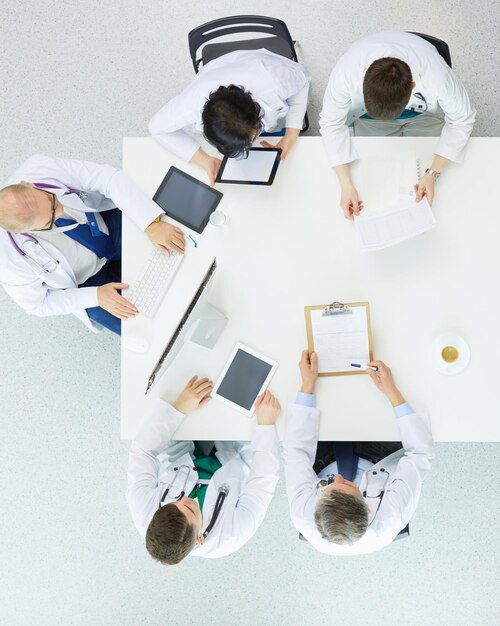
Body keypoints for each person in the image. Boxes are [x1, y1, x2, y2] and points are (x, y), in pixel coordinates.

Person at [0, 154, 185, 334]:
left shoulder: (39, 167)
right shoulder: (8, 263)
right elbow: (38, 304)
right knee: (144, 330)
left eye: (51, 200)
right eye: (48, 221)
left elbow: (108, 178)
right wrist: (95, 296)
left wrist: (150, 224)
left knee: (177, 251)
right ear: (21, 232)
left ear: (28, 184)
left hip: (106, 230)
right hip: (88, 284)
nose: (60, 210)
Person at [283, 350, 434, 555]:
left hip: (321, 462)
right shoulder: (391, 517)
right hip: (378, 461)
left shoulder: (302, 514)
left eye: (328, 487)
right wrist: (390, 390)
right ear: (368, 507)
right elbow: (420, 453)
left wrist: (307, 384)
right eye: (347, 484)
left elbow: (295, 451)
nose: (337, 477)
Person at [319, 31, 476, 219]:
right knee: (372, 170)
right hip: (370, 119)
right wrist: (345, 184)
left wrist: (433, 173)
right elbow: (331, 122)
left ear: (413, 86)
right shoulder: (345, 74)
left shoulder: (438, 77)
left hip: (423, 115)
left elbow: (462, 119)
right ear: (362, 85)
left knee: (442, 181)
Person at [127, 376, 281, 563]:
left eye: (174, 502)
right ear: (199, 538)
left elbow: (142, 452)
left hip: (180, 451)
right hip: (235, 459)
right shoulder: (232, 536)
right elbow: (263, 480)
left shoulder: (144, 513)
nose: (185, 498)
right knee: (256, 406)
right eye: (191, 509)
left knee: (182, 389)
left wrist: (178, 408)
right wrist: (266, 425)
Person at [149, 49, 310, 185]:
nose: (255, 140)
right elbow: (156, 128)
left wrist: (291, 133)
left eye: (255, 132)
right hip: (216, 71)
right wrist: (204, 160)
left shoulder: (276, 81)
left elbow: (303, 81)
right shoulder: (190, 103)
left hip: (257, 63)